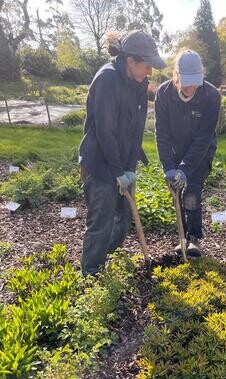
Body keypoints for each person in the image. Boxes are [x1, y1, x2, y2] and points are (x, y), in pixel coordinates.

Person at [79, 30, 166, 276]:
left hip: (122, 162)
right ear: (130, 61)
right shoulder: (106, 80)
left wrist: (129, 168)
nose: (149, 72)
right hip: (99, 161)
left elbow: (137, 128)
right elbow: (105, 132)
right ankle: (92, 272)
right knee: (101, 222)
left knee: (123, 216)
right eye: (147, 66)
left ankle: (110, 254)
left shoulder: (139, 83)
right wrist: (117, 171)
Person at [155, 49, 221, 257]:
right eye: (187, 81)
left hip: (200, 154)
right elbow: (162, 134)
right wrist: (169, 167)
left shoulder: (211, 96)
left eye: (196, 81)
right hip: (175, 150)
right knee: (176, 192)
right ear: (176, 75)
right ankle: (181, 236)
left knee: (191, 192)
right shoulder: (163, 94)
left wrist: (185, 168)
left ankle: (193, 238)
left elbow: (203, 138)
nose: (192, 86)